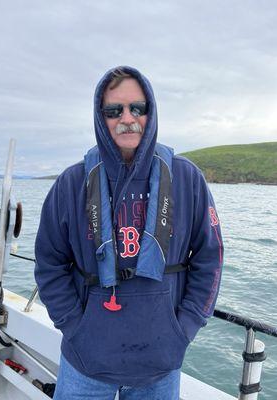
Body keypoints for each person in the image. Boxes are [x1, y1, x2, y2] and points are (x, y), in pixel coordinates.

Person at [34, 66, 224, 400]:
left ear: (150, 113)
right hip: (84, 363)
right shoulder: (71, 183)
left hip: (161, 366)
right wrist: (74, 327)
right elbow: (49, 263)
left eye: (138, 108)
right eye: (114, 110)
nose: (127, 118)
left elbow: (211, 258)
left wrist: (185, 328)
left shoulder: (188, 179)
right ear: (100, 116)